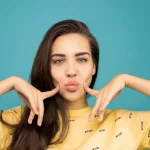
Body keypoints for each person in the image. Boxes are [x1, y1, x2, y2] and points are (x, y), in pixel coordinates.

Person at [0, 19, 150, 150]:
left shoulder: (127, 123)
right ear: (47, 68)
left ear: (94, 67)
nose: (71, 71)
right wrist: (11, 83)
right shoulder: (18, 121)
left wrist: (127, 80)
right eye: (59, 61)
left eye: (81, 60)